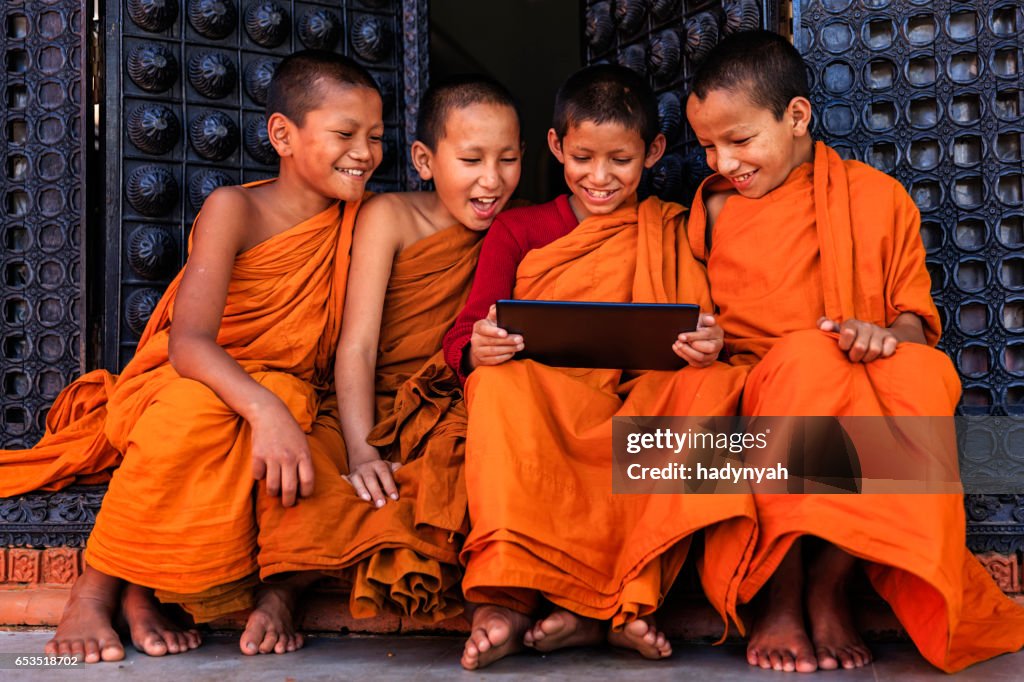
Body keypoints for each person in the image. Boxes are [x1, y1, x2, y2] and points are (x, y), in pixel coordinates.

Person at [0, 50, 384, 662]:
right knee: (190, 416)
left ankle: (180, 590)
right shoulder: (237, 208)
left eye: (375, 137)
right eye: (345, 134)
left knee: (324, 467)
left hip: (295, 392)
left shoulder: (364, 222)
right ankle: (95, 592)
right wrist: (264, 409)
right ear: (282, 134)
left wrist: (279, 409)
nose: (364, 152)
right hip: (197, 378)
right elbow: (190, 343)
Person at [685, 29, 1024, 673]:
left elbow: (915, 325)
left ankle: (829, 584)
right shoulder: (712, 212)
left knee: (925, 375)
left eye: (739, 140)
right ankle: (781, 592)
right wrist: (702, 338)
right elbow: (689, 312)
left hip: (858, 371)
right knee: (802, 364)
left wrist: (882, 336)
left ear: (796, 116)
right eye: (708, 146)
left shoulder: (878, 198)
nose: (724, 163)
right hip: (755, 382)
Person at [443, 64, 752, 670]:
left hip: (639, 400)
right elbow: (465, 330)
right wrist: (477, 348)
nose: (600, 177)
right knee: (499, 385)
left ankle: (621, 600)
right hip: (548, 402)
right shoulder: (520, 229)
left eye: (621, 160)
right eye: (583, 157)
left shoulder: (672, 227)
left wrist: (706, 345)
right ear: (557, 146)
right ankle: (507, 599)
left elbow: (702, 322)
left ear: (654, 152)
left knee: (713, 387)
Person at [253, 75, 522, 623]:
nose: (491, 180)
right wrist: (361, 450)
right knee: (307, 476)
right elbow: (358, 346)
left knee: (463, 474)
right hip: (366, 407)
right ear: (424, 160)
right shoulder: (392, 217)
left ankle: (490, 605)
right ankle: (283, 591)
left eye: (509, 159)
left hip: (451, 408)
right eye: (471, 160)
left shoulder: (519, 231)